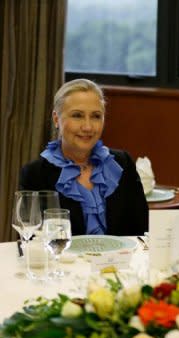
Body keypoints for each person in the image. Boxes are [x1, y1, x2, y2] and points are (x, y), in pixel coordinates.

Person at [20, 79, 148, 236]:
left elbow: (142, 231)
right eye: (77, 116)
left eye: (96, 116)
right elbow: (30, 240)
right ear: (56, 119)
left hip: (121, 259)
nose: (87, 127)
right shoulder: (35, 174)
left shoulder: (122, 163)